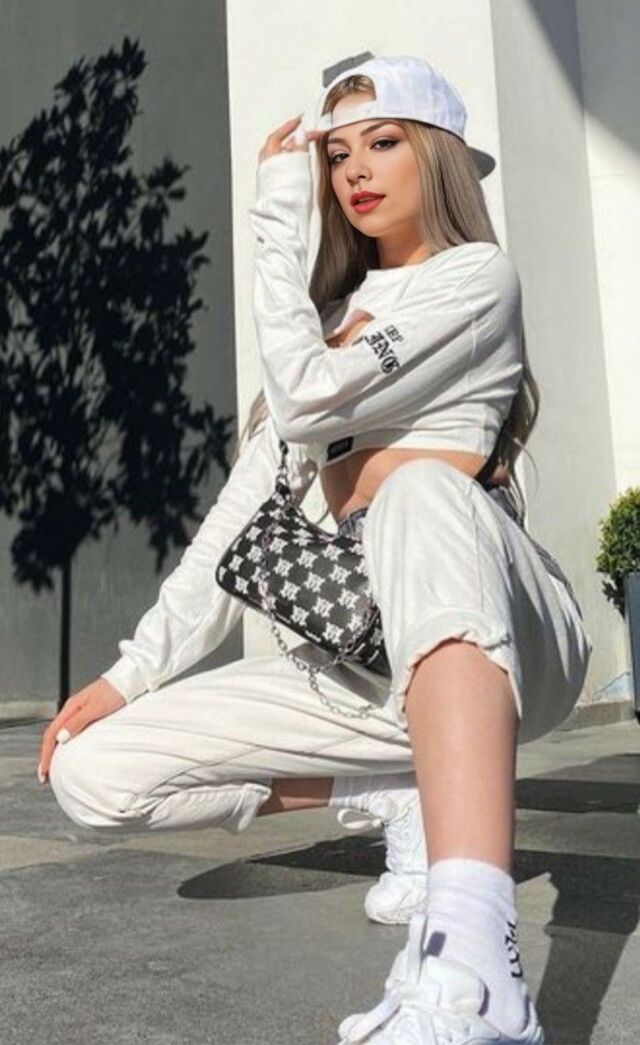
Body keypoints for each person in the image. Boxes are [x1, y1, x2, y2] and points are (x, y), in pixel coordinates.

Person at [39, 54, 592, 1044]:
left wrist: (272, 226)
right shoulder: (323, 325)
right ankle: (396, 785)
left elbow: (307, 398)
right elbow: (234, 522)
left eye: (383, 142)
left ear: (438, 156)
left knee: (420, 491)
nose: (354, 171)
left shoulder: (473, 279)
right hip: (359, 671)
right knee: (91, 773)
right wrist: (129, 675)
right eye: (335, 155)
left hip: (507, 645)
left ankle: (476, 972)